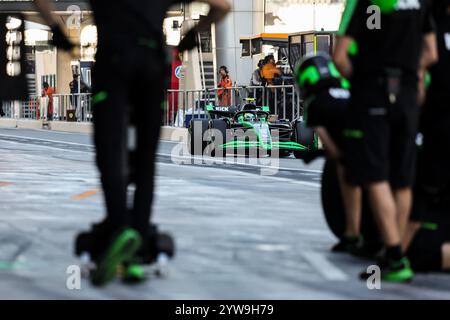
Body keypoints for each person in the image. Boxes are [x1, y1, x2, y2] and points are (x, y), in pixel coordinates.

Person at [36, 0, 230, 286]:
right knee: (146, 159)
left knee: (110, 152)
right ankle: (138, 235)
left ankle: (118, 228)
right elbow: (222, 6)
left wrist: (57, 30)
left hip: (114, 63)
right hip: (151, 65)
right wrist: (191, 34)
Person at [333, 0, 438, 282]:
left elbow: (340, 57)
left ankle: (393, 254)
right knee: (402, 181)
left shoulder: (367, 2)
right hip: (407, 95)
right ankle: (392, 253)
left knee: (375, 175)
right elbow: (431, 53)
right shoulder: (422, 2)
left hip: (374, 94)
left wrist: (363, 82)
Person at [403, 0, 450, 273]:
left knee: (418, 253)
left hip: (437, 128)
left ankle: (395, 255)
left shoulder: (427, 23)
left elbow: (427, 59)